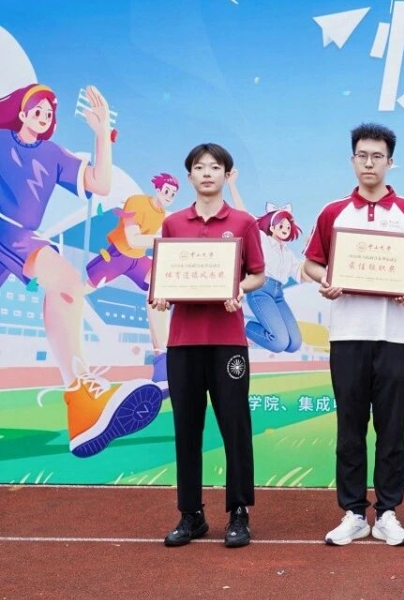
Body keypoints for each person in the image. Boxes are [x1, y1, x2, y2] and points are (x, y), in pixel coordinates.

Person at [0, 83, 163, 457]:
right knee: (66, 282)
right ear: (21, 114)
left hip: (19, 236)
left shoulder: (52, 154)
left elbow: (100, 184)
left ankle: (82, 406)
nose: (44, 116)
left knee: (67, 283)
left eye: (49, 113)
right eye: (37, 110)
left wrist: (102, 133)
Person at [304, 123, 404, 547]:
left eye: (377, 156)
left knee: (390, 426)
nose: (369, 163)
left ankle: (387, 513)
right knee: (350, 425)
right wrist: (326, 279)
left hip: (394, 335)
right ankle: (353, 512)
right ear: (352, 160)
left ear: (390, 162)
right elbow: (311, 263)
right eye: (362, 155)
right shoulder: (333, 213)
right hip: (347, 335)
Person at [153, 143, 265, 549]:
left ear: (225, 174)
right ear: (189, 177)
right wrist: (161, 294)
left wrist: (238, 287)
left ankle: (239, 512)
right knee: (186, 428)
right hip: (183, 341)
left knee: (235, 426)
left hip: (228, 341)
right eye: (199, 168)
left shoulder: (243, 222)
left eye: (215, 167)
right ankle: (191, 514)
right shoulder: (173, 224)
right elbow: (164, 276)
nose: (206, 173)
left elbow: (257, 275)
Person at [86, 172, 179, 395]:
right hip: (117, 256)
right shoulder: (137, 202)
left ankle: (161, 359)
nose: (169, 196)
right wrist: (166, 239)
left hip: (137, 260)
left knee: (160, 285)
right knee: (83, 288)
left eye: (173, 194)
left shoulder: (163, 215)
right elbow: (133, 239)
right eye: (167, 191)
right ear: (158, 189)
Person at [228, 169, 307, 354]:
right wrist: (232, 184)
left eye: (288, 226)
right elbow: (243, 214)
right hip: (260, 290)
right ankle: (241, 324)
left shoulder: (288, 254)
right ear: (271, 227)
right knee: (279, 343)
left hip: (278, 294)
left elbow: (303, 274)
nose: (285, 229)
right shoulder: (262, 239)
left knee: (294, 344)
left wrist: (313, 252)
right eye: (281, 225)